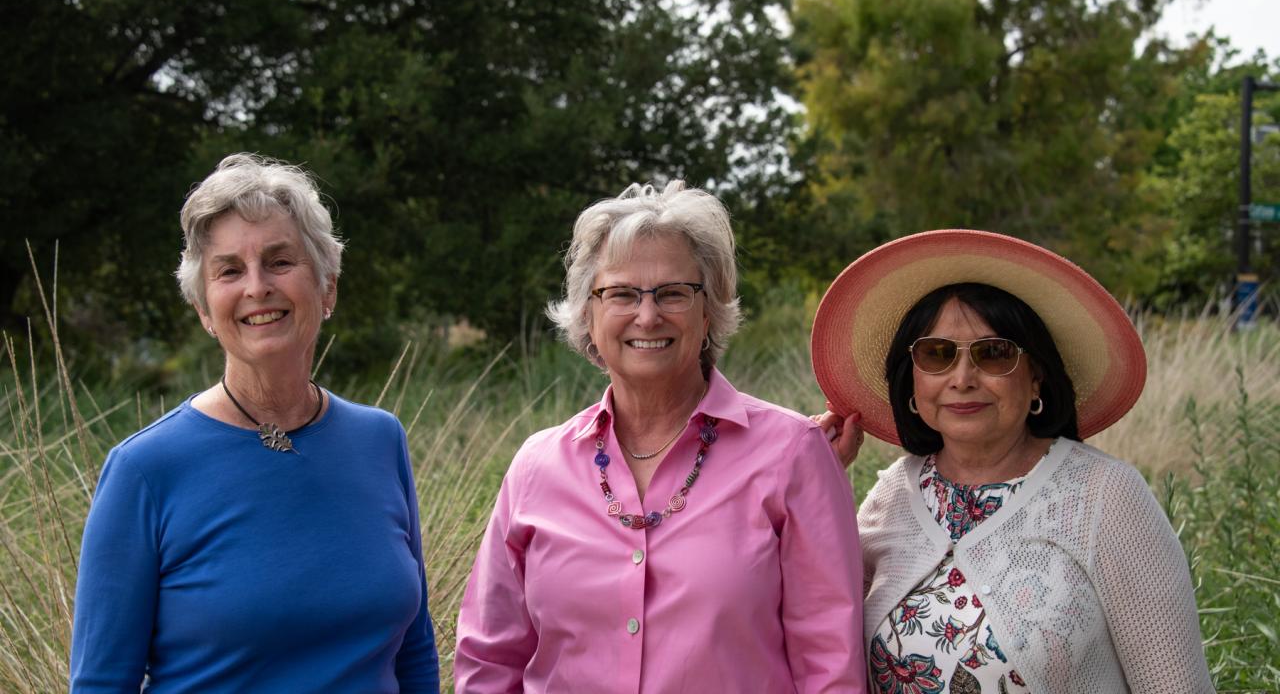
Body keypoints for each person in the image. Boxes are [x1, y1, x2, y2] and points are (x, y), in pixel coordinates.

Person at [454, 181, 866, 692]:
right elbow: (489, 660)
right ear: (588, 311)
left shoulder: (793, 455)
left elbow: (831, 666)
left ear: (710, 308)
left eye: (673, 293)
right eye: (621, 293)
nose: (647, 315)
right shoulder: (537, 467)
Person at [70, 154, 440, 693]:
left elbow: (414, 653)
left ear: (327, 287)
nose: (257, 286)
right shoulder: (145, 471)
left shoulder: (379, 440)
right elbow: (103, 684)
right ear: (204, 309)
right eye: (229, 270)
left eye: (280, 261)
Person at [810, 230, 1214, 693]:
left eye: (993, 353)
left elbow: (1175, 684)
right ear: (912, 382)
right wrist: (815, 481)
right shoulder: (892, 496)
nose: (962, 378)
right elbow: (808, 622)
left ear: (1037, 377)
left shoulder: (1107, 498)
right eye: (937, 354)